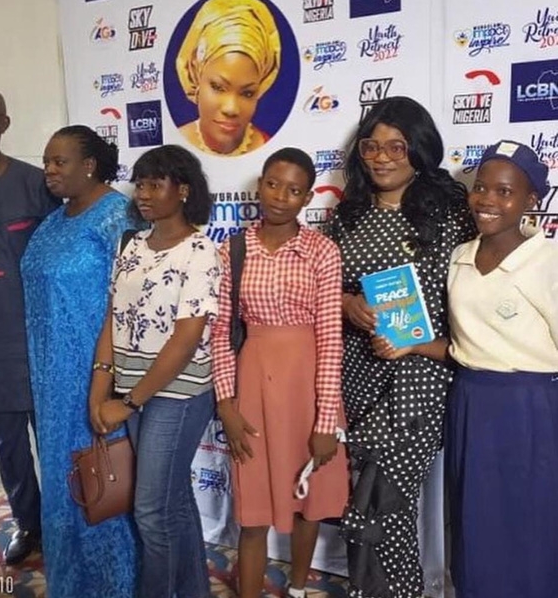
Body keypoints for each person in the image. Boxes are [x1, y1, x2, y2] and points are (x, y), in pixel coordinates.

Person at [324, 96, 476, 598]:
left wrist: (422, 347)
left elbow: (474, 299)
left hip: (420, 380)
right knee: (365, 505)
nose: (382, 157)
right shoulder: (347, 217)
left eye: (397, 146)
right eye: (372, 146)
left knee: (383, 504)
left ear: (419, 150)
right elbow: (323, 288)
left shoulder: (452, 215)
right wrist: (348, 303)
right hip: (359, 374)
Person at [211, 147, 349, 598]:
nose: (279, 197)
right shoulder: (233, 249)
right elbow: (220, 332)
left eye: (293, 190)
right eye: (272, 184)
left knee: (308, 499)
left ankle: (297, 587)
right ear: (260, 186)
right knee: (253, 510)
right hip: (253, 385)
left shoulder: (322, 251)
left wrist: (325, 422)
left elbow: (330, 338)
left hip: (308, 388)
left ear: (307, 198)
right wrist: (225, 403)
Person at [89, 145, 221, 598]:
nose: (143, 193)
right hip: (133, 391)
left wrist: (127, 403)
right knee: (173, 502)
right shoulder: (132, 244)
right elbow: (114, 318)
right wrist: (100, 388)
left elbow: (185, 340)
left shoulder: (201, 251)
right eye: (140, 184)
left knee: (151, 512)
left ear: (182, 190)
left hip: (177, 396)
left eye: (154, 184)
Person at [20, 125, 137, 598]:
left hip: (95, 374)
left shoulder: (118, 217)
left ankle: (117, 585)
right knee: (64, 481)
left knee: (102, 478)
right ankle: (72, 585)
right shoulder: (53, 221)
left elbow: (130, 302)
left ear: (89, 165)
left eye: (59, 161)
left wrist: (109, 382)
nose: (49, 170)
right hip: (49, 379)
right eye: (46, 161)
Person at [445, 141, 558, 598]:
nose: (487, 200)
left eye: (505, 191)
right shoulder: (459, 257)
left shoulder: (548, 262)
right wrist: (407, 343)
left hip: (531, 407)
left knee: (530, 521)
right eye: (481, 187)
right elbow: (466, 344)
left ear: (531, 200)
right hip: (471, 401)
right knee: (475, 520)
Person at [0, 90, 59, 565]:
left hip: (38, 337)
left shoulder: (36, 184)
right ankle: (28, 523)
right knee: (8, 443)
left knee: (53, 437)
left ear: (4, 123)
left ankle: (62, 523)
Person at [176, 0, 281, 156]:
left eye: (247, 93)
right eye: (218, 87)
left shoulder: (273, 154)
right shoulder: (171, 151)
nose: (231, 109)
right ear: (196, 75)